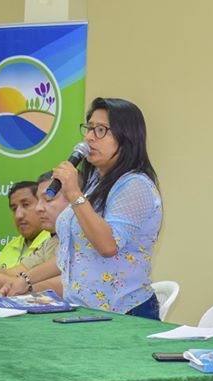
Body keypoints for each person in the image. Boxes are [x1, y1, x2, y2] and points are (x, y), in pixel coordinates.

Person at [49, 97, 163, 319]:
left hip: (124, 314)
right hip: (83, 310)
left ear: (127, 138)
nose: (89, 137)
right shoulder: (94, 183)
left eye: (101, 130)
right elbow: (73, 252)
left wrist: (74, 194)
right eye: (89, 128)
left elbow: (108, 245)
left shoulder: (136, 185)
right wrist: (25, 280)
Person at [0, 173, 68, 296]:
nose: (39, 208)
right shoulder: (51, 240)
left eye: (48, 200)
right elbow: (11, 277)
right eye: (14, 209)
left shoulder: (84, 237)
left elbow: (68, 282)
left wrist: (26, 286)